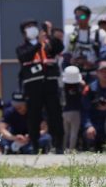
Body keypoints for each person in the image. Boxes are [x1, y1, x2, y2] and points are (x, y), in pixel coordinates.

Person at [16, 19, 65, 153]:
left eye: (34, 26)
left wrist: (49, 34)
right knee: (34, 116)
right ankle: (35, 145)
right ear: (24, 32)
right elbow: (24, 57)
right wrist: (38, 43)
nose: (32, 28)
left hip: (50, 84)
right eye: (28, 27)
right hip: (33, 87)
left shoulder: (47, 44)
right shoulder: (22, 48)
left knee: (55, 114)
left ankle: (58, 144)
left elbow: (59, 47)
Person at [83, 59, 106, 150]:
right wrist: (89, 126)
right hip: (95, 123)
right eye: (102, 71)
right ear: (97, 73)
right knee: (90, 136)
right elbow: (85, 111)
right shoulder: (90, 89)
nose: (105, 74)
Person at [61, 66, 86, 152]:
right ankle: (71, 149)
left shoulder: (64, 87)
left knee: (65, 132)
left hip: (65, 111)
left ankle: (63, 148)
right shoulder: (78, 87)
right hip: (75, 112)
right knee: (74, 132)